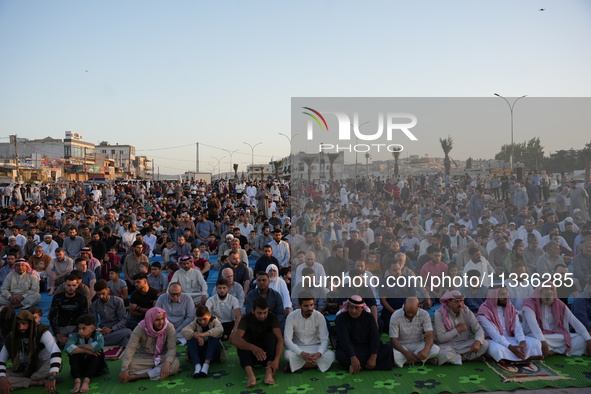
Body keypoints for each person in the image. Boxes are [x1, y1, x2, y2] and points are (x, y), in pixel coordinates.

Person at [0, 310, 61, 393]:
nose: (21, 327)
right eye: (18, 325)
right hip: (22, 368)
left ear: (30, 323)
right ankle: (36, 382)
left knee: (57, 363)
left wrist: (52, 376)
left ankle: (24, 380)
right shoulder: (12, 337)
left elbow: (55, 352)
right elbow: (1, 359)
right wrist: (2, 378)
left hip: (41, 366)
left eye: (24, 324)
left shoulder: (41, 331)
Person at [477, 287, 542, 362]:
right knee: (497, 349)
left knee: (536, 343)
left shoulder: (510, 307)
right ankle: (525, 356)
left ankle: (512, 357)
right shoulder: (484, 311)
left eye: (506, 294)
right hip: (494, 340)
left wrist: (522, 342)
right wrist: (510, 347)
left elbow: (517, 327)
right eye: (502, 294)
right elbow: (494, 334)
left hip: (512, 337)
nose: (506, 297)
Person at [523, 285, 591, 357]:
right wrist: (542, 341)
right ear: (539, 290)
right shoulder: (529, 302)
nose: (549, 292)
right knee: (533, 343)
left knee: (582, 340)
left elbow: (574, 321)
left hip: (556, 335)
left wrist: (589, 339)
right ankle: (561, 350)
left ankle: (554, 351)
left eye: (551, 289)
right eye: (546, 289)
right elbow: (533, 326)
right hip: (534, 335)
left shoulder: (559, 303)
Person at [230, 297, 284, 387]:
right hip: (251, 354)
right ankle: (250, 375)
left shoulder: (272, 318)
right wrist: (252, 348)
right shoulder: (246, 318)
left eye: (265, 313)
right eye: (259, 313)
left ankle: (269, 372)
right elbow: (234, 339)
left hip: (266, 354)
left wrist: (277, 360)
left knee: (272, 337)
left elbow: (280, 339)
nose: (262, 316)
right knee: (242, 341)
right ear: (253, 311)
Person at [119, 307, 180, 383]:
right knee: (130, 366)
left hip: (164, 356)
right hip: (146, 357)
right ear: (150, 320)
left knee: (175, 363)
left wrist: (167, 364)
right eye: (157, 320)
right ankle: (158, 371)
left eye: (162, 319)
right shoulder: (140, 328)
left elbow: (172, 348)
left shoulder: (169, 327)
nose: (161, 322)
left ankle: (136, 376)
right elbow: (130, 347)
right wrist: (124, 368)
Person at [335, 295, 393, 373]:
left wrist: (373, 357)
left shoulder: (369, 317)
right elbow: (344, 341)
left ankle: (358, 366)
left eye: (356, 308)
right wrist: (353, 358)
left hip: (367, 348)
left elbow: (375, 338)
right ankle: (365, 365)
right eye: (351, 307)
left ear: (362, 308)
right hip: (351, 350)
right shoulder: (341, 318)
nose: (353, 311)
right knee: (340, 354)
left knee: (387, 349)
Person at [283, 293, 335, 373]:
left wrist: (318, 354)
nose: (310, 308)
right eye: (306, 306)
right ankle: (315, 365)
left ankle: (297, 365)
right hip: (299, 348)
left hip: (316, 348)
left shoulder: (319, 316)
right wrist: (302, 354)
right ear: (299, 306)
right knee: (287, 354)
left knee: (331, 355)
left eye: (311, 305)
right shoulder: (292, 316)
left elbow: (324, 339)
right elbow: (287, 340)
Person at [434, 290, 488, 365]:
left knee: (484, 344)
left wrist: (477, 342)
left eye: (461, 301)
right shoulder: (439, 314)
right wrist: (457, 330)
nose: (460, 304)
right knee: (442, 354)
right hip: (449, 346)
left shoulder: (466, 311)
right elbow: (441, 338)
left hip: (465, 343)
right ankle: (468, 357)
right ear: (449, 302)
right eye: (456, 302)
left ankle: (458, 358)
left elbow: (478, 329)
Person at [390, 297, 439, 367]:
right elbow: (393, 339)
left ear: (418, 307)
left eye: (412, 313)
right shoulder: (395, 316)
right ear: (404, 306)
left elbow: (429, 334)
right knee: (392, 355)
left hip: (418, 344)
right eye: (408, 312)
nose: (410, 315)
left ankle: (408, 361)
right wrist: (406, 353)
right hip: (402, 346)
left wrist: (425, 350)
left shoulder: (424, 314)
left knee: (435, 349)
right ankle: (423, 359)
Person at [64, 314, 105, 393]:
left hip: (95, 369)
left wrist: (79, 346)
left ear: (92, 329)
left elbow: (99, 345)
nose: (80, 331)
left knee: (98, 352)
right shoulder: (76, 336)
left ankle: (86, 381)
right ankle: (77, 381)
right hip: (80, 368)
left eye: (84, 328)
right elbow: (67, 348)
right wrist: (87, 350)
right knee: (72, 353)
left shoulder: (97, 335)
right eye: (79, 328)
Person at [181, 305, 224, 378]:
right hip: (200, 352)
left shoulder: (214, 320)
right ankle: (197, 366)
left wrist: (203, 334)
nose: (202, 322)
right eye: (200, 320)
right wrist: (195, 335)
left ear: (209, 316)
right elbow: (184, 331)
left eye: (204, 319)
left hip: (213, 354)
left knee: (214, 337)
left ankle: (206, 365)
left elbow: (220, 329)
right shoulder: (195, 322)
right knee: (190, 339)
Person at [49, 274, 89, 347]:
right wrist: (58, 335)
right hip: (61, 328)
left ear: (77, 286)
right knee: (49, 342)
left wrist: (72, 335)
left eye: (73, 285)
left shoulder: (82, 299)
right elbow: (53, 317)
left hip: (76, 328)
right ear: (64, 285)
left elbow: (84, 318)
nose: (71, 288)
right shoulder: (57, 298)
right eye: (69, 285)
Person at [90, 279, 132, 347]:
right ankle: (113, 340)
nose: (101, 296)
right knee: (90, 335)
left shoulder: (118, 301)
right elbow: (93, 322)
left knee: (127, 332)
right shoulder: (95, 304)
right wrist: (97, 329)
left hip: (117, 329)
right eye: (98, 294)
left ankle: (101, 341)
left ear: (108, 290)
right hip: (103, 330)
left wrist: (111, 329)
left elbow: (123, 320)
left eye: (103, 293)